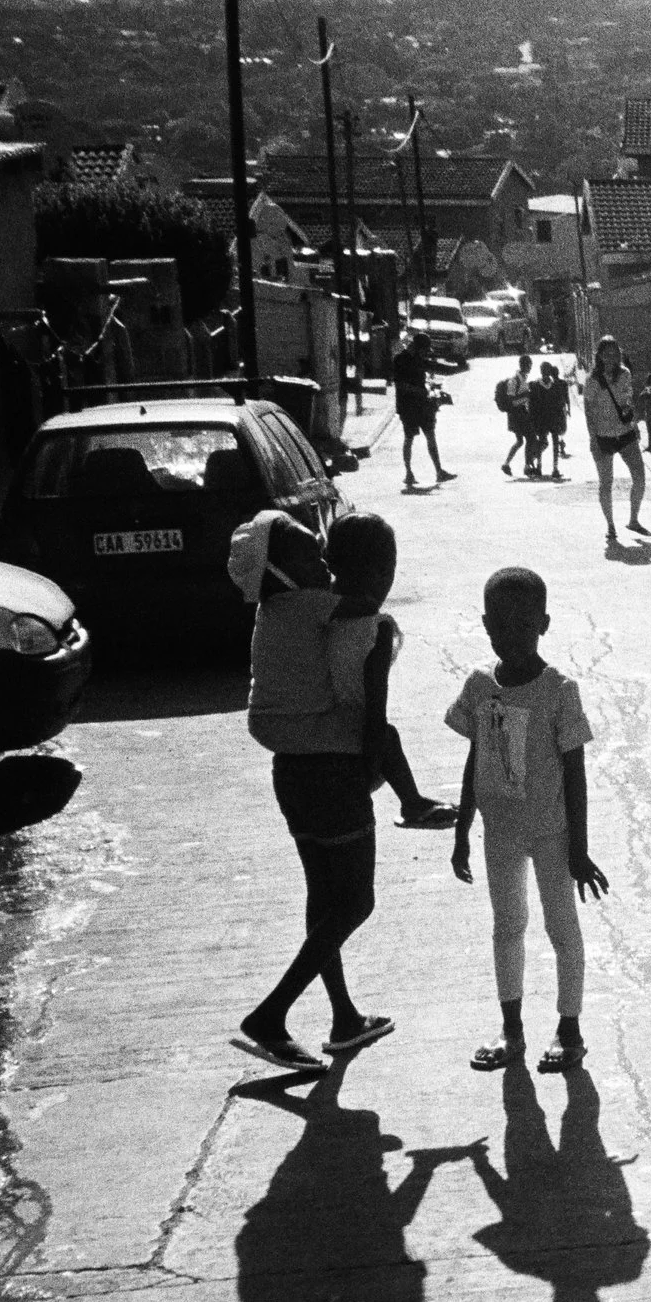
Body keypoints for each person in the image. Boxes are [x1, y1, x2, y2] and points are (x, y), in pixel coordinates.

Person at [226, 510, 397, 1073]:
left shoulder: (274, 615)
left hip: (292, 775)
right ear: (277, 570)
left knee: (324, 900)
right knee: (357, 902)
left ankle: (344, 1017)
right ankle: (271, 1014)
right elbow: (366, 603)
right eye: (308, 553)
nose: (321, 562)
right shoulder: (304, 605)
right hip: (330, 772)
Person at [448, 568, 608, 1077]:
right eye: (500, 624)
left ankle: (570, 1030)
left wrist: (579, 850)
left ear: (543, 624)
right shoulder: (479, 686)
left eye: (523, 624)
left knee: (562, 928)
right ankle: (511, 1029)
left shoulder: (560, 690)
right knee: (507, 926)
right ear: (485, 625)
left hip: (552, 831)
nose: (511, 635)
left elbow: (575, 773)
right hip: (500, 831)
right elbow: (475, 758)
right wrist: (461, 830)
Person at [326, 513, 456, 828]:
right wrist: (369, 770)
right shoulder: (376, 630)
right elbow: (375, 710)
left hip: (311, 732)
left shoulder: (315, 612)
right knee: (387, 735)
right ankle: (411, 802)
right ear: (383, 573)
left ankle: (412, 801)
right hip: (351, 742)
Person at [581, 335, 651, 545]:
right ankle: (610, 526)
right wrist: (592, 438)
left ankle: (633, 520)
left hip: (625, 433)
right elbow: (588, 411)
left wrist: (635, 423)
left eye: (615, 353)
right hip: (603, 437)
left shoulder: (625, 375)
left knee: (639, 477)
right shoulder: (592, 381)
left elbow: (628, 402)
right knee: (606, 483)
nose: (611, 357)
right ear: (599, 356)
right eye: (607, 353)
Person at [392, 331, 454, 490]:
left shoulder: (420, 359)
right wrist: (418, 391)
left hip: (422, 405)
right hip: (407, 406)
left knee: (431, 436)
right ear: (417, 347)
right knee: (409, 438)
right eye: (424, 350)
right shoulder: (400, 360)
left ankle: (439, 471)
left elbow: (433, 369)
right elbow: (400, 385)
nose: (425, 353)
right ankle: (408, 472)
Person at [525, 362, 569, 480]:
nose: (545, 373)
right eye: (544, 371)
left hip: (545, 418)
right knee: (550, 443)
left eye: (546, 371)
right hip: (547, 418)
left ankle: (543, 467)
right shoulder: (552, 386)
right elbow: (560, 404)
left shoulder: (535, 385)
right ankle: (553, 468)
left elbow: (531, 404)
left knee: (545, 442)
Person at [495, 355, 534, 477]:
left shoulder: (522, 379)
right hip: (517, 415)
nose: (530, 367)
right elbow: (512, 401)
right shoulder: (514, 381)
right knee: (530, 438)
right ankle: (527, 466)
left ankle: (506, 464)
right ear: (524, 365)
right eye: (529, 365)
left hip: (518, 414)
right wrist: (525, 398)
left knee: (520, 441)